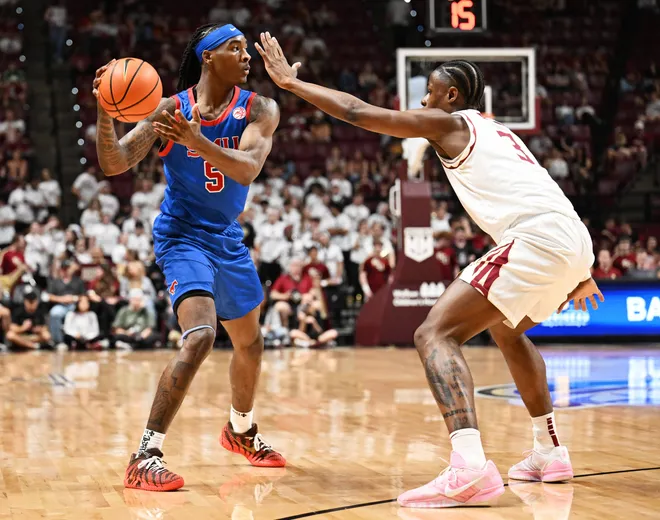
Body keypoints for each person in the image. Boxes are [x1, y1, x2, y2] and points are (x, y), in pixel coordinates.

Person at [258, 35, 603, 508]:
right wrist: (580, 266)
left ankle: (469, 468)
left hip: (537, 237)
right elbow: (540, 189)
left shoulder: (448, 123)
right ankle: (549, 451)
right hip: (571, 236)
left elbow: (359, 113)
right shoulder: (500, 131)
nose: (423, 100)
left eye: (430, 91)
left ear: (452, 97)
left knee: (434, 335)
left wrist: (293, 84)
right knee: (508, 330)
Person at [94, 22, 285, 491]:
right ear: (207, 57)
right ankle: (146, 453)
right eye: (235, 49)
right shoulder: (167, 110)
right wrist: (104, 111)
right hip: (182, 237)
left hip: (227, 238)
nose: (247, 57)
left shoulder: (260, 109)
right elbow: (115, 162)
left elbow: (247, 170)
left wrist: (193, 139)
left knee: (251, 343)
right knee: (201, 335)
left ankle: (240, 431)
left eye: (246, 50)